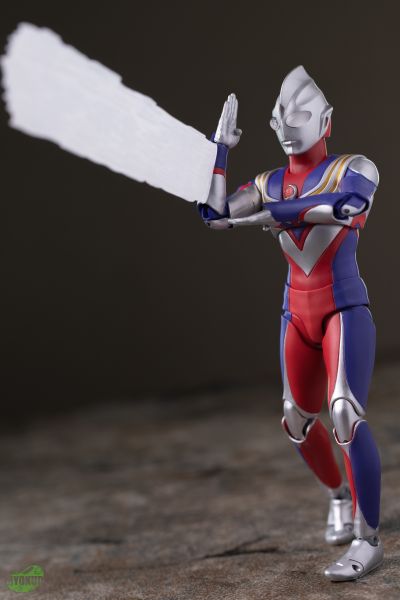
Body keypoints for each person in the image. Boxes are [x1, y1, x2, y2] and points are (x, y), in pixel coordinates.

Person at [198, 66, 382, 581]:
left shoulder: (354, 167)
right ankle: (338, 496)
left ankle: (368, 541)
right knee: (296, 420)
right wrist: (220, 150)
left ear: (325, 120)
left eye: (300, 114)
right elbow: (215, 215)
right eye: (280, 116)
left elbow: (348, 205)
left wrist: (272, 214)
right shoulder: (268, 183)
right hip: (296, 314)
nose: (287, 124)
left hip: (343, 310)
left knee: (344, 413)